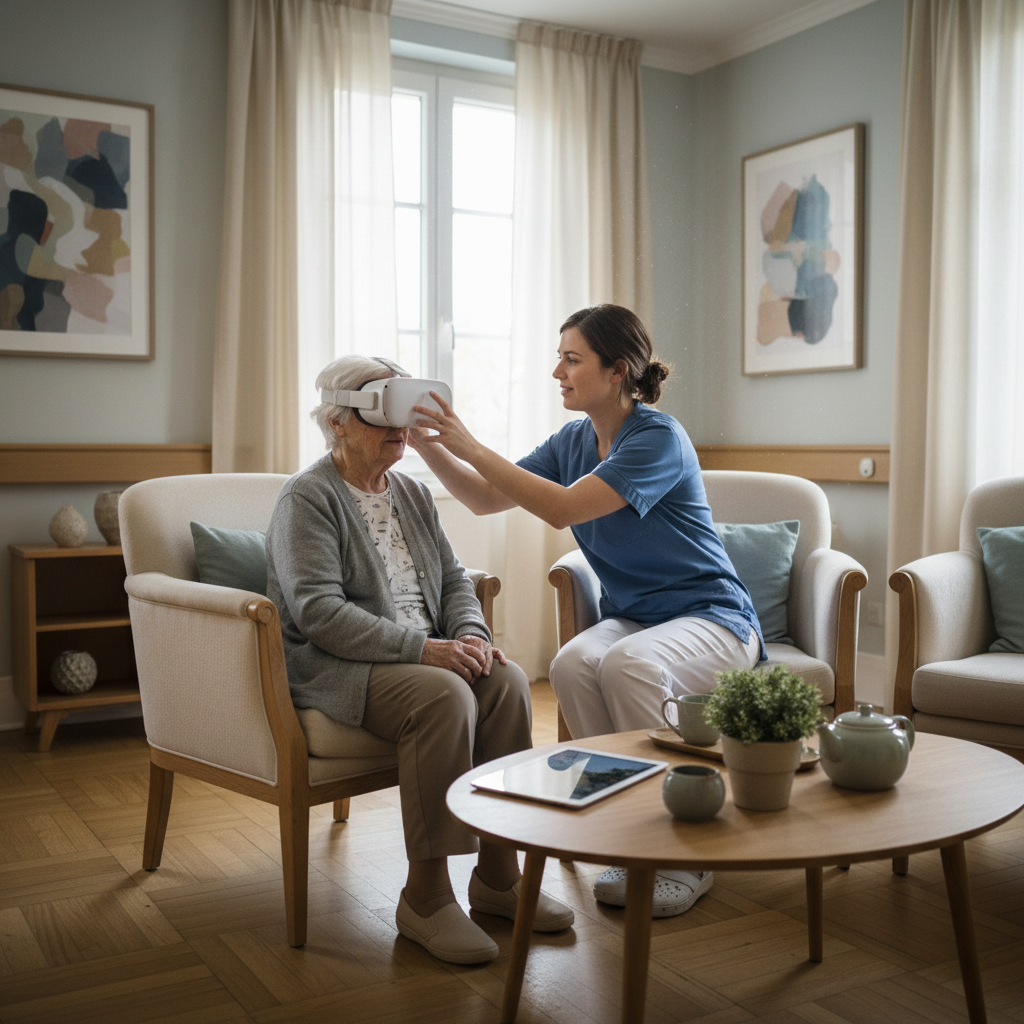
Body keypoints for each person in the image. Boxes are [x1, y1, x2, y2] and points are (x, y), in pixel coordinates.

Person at [411, 304, 765, 919]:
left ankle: (685, 854)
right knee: (574, 663)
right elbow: (483, 498)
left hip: (713, 618)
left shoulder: (657, 437)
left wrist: (470, 440)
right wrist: (430, 444)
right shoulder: (575, 440)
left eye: (572, 359)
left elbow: (564, 510)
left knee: (627, 663)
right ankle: (629, 836)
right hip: (640, 618)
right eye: (559, 357)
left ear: (616, 370)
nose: (557, 371)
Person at [265, 354, 574, 965]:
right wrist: (425, 649)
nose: (398, 429)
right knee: (445, 695)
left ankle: (497, 877)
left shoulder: (411, 492)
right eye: (380, 416)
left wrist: (470, 633)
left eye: (401, 414)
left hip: (422, 651)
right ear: (338, 424)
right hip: (343, 664)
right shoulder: (307, 498)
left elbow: (455, 577)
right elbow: (318, 614)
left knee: (508, 682)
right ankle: (426, 897)